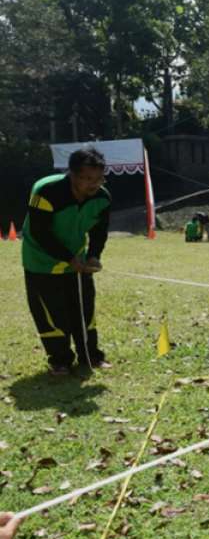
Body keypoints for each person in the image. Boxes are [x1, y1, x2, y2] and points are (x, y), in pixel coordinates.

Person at [22, 147, 113, 375]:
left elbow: (99, 231)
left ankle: (90, 356)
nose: (95, 184)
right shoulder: (47, 192)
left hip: (78, 261)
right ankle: (60, 360)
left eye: (99, 178)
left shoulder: (102, 198)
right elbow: (40, 232)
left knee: (84, 310)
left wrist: (93, 256)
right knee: (53, 314)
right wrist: (68, 259)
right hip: (41, 262)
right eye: (88, 179)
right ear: (73, 175)